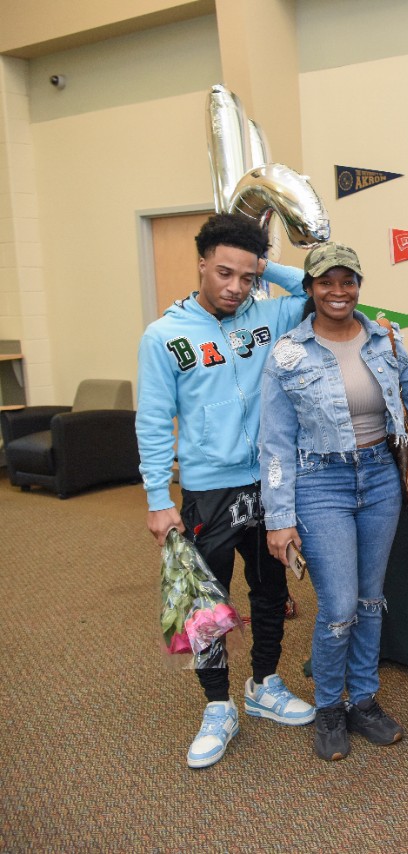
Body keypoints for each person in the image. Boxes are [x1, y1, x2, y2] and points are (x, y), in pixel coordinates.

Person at [136, 213, 315, 769]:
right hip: (208, 491)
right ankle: (217, 705)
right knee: (206, 606)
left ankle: (264, 683)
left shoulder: (268, 313)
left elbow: (313, 288)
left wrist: (266, 265)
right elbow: (153, 420)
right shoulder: (164, 336)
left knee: (270, 590)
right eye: (224, 273)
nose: (236, 287)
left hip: (269, 483)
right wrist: (157, 499)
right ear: (201, 265)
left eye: (247, 276)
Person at [258, 242, 408, 761]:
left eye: (348, 281)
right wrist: (279, 518)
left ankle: (362, 700)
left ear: (359, 286)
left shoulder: (384, 338)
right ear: (310, 288)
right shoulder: (288, 353)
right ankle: (328, 706)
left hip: (381, 478)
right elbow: (275, 444)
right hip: (320, 484)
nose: (338, 291)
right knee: (339, 606)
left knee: (369, 600)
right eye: (326, 282)